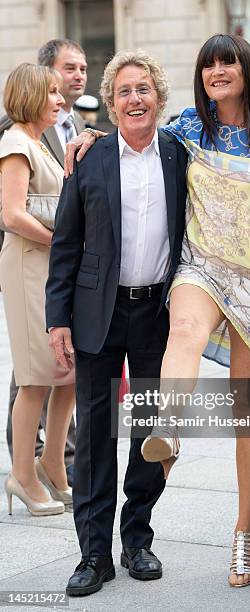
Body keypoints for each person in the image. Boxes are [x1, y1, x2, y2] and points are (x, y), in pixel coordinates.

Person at [47, 48, 250, 597]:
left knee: (149, 431)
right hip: (96, 314)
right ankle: (92, 554)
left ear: (159, 98)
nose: (135, 100)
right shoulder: (88, 157)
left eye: (144, 90)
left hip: (158, 310)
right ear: (110, 104)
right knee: (93, 438)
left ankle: (137, 540)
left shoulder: (181, 153)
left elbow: (235, 198)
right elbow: (65, 246)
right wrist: (56, 319)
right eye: (124, 92)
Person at [1, 38, 88, 484]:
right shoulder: (16, 141)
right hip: (29, 264)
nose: (60, 99)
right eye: (52, 92)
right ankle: (23, 475)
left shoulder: (38, 140)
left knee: (66, 371)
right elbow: (12, 214)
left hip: (52, 267)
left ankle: (53, 463)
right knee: (36, 376)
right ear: (31, 96)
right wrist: (61, 242)